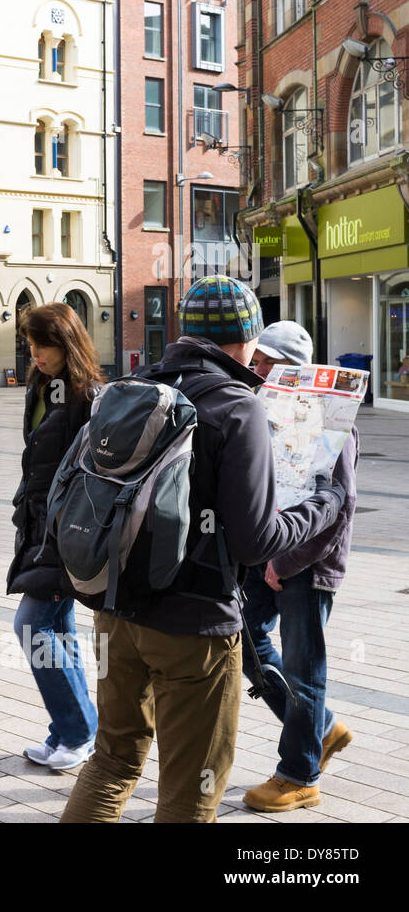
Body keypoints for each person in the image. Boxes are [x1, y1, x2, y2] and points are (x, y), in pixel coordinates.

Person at [60, 276, 348, 823]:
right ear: (247, 337)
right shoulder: (239, 407)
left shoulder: (136, 384)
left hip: (116, 611)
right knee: (191, 793)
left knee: (112, 762)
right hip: (197, 627)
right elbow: (255, 540)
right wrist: (325, 503)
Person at [236, 321, 357, 812]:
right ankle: (322, 728)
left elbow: (339, 505)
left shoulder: (333, 418)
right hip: (270, 553)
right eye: (256, 359)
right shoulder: (269, 409)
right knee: (246, 640)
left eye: (266, 361)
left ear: (292, 368)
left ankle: (299, 775)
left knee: (306, 669)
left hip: (307, 563)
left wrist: (285, 562)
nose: (257, 368)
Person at [7, 303, 104, 771]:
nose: (35, 352)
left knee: (31, 625)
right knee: (57, 629)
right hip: (37, 525)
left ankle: (81, 730)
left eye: (42, 343)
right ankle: (70, 730)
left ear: (66, 342)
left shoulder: (90, 396)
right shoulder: (40, 385)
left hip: (68, 531)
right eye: (30, 342)